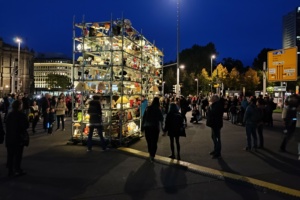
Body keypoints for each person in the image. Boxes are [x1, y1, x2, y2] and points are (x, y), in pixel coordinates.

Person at [5, 100, 29, 177]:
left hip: (10, 137)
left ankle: (10, 170)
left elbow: (7, 125)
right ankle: (17, 169)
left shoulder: (10, 114)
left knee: (10, 154)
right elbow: (25, 125)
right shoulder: (21, 115)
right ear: (20, 106)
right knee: (18, 154)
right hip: (18, 137)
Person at [141, 97, 163, 162]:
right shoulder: (158, 109)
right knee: (154, 141)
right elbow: (161, 118)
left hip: (147, 127)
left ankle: (150, 153)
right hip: (155, 127)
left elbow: (144, 118)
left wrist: (142, 127)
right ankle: (152, 155)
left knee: (149, 141)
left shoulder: (148, 108)